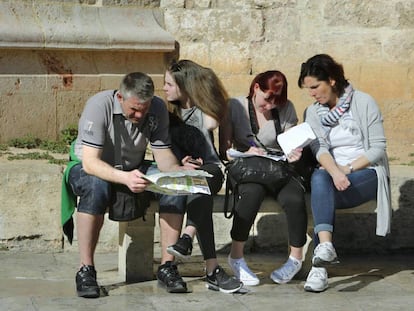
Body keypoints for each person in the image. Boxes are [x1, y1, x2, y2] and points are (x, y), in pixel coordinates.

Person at [62, 72, 191, 298]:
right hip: (91, 166)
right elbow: (90, 163)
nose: (140, 115)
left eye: (144, 109)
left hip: (133, 165)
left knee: (175, 186)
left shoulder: (158, 108)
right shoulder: (98, 106)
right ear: (120, 98)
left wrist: (178, 169)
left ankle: (167, 266)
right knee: (95, 186)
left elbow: (162, 157)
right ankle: (86, 269)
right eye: (134, 109)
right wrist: (125, 178)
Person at [298, 54, 391, 292]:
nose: (312, 93)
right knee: (320, 178)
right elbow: (320, 148)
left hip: (366, 173)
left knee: (322, 189)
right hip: (333, 177)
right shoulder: (313, 112)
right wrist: (336, 173)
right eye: (308, 89)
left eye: (315, 86)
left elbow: (378, 149)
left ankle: (319, 270)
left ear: (331, 80)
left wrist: (346, 170)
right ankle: (324, 252)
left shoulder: (363, 102)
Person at [156, 59, 242, 293]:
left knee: (201, 187)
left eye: (169, 84)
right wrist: (180, 160)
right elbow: (164, 146)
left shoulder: (205, 111)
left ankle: (187, 236)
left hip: (211, 169)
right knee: (198, 194)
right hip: (183, 170)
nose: (164, 88)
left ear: (186, 86)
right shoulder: (166, 113)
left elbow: (213, 121)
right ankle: (209, 266)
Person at [219, 70, 308, 286]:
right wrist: (246, 152)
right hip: (248, 170)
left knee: (295, 198)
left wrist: (294, 153)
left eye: (276, 101)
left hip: (278, 170)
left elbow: (290, 144)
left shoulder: (286, 108)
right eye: (268, 99)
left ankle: (295, 258)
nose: (270, 106)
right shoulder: (235, 106)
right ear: (256, 88)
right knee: (251, 195)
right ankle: (236, 256)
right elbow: (224, 150)